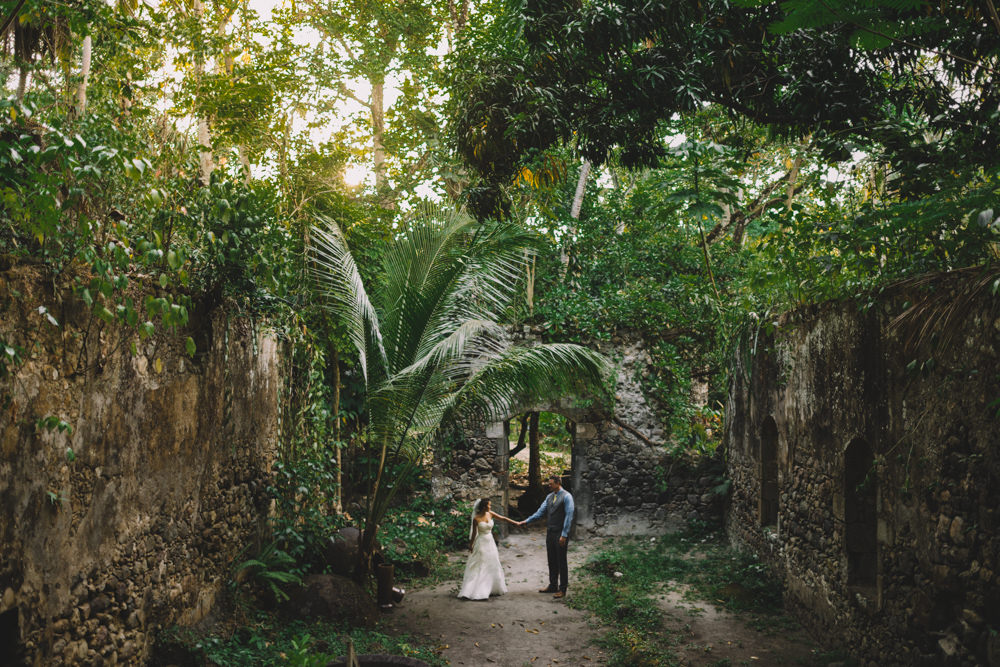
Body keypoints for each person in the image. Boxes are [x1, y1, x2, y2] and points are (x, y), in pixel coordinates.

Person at [518, 475, 575, 598]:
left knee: (561, 561)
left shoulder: (567, 497)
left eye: (551, 484)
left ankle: (563, 589)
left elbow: (569, 516)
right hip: (550, 532)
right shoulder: (549, 497)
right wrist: (527, 521)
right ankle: (553, 585)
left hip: (560, 533)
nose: (549, 485)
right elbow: (540, 513)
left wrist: (564, 535)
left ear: (558, 483)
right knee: (552, 559)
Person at [458, 498, 517, 600]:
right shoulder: (476, 519)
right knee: (481, 564)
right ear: (484, 506)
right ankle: (478, 590)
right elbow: (473, 534)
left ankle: (491, 587)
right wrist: (471, 545)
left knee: (492, 563)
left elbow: (503, 518)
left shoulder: (490, 513)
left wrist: (515, 522)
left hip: (490, 542)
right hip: (481, 542)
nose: (490, 507)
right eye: (489, 505)